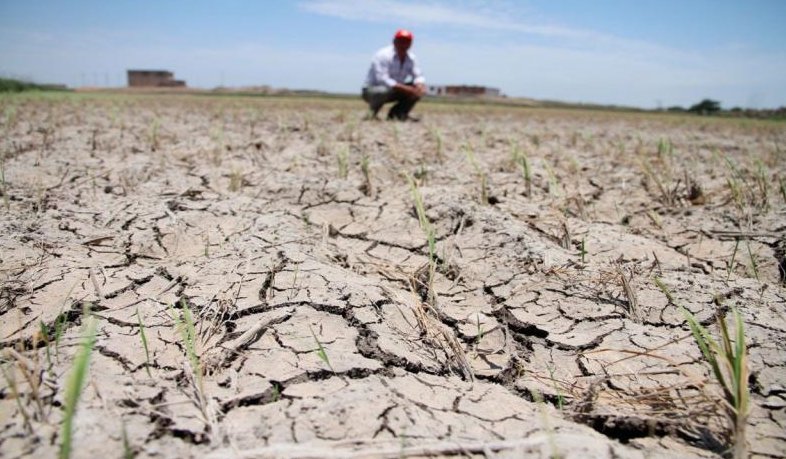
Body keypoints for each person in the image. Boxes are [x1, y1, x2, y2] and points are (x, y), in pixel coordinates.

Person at [362, 29, 426, 121]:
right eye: (401, 40)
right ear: (394, 41)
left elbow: (418, 75)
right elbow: (382, 79)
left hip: (394, 90)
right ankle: (371, 114)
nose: (403, 44)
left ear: (411, 44)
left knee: (417, 91)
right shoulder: (383, 55)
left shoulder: (411, 58)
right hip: (372, 90)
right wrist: (407, 89)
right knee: (383, 91)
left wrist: (420, 85)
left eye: (407, 41)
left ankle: (397, 115)